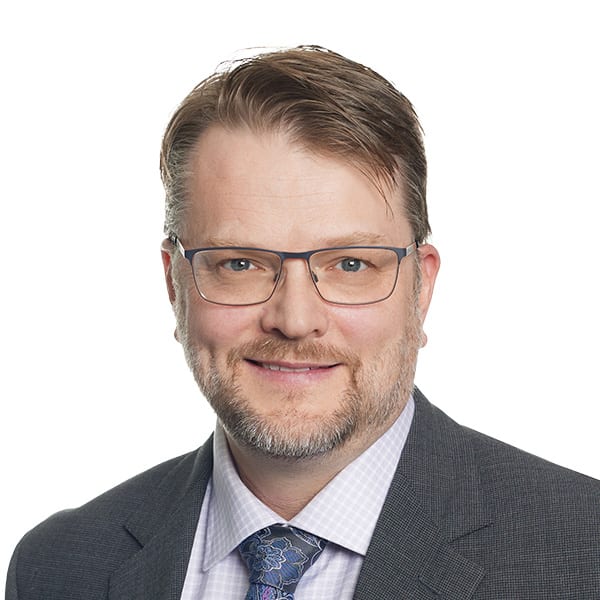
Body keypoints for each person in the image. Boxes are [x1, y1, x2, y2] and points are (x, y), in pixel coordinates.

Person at [6, 45, 599, 600]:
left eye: (351, 264)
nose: (294, 320)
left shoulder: (585, 553)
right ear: (174, 286)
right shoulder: (59, 566)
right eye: (239, 263)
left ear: (421, 291)